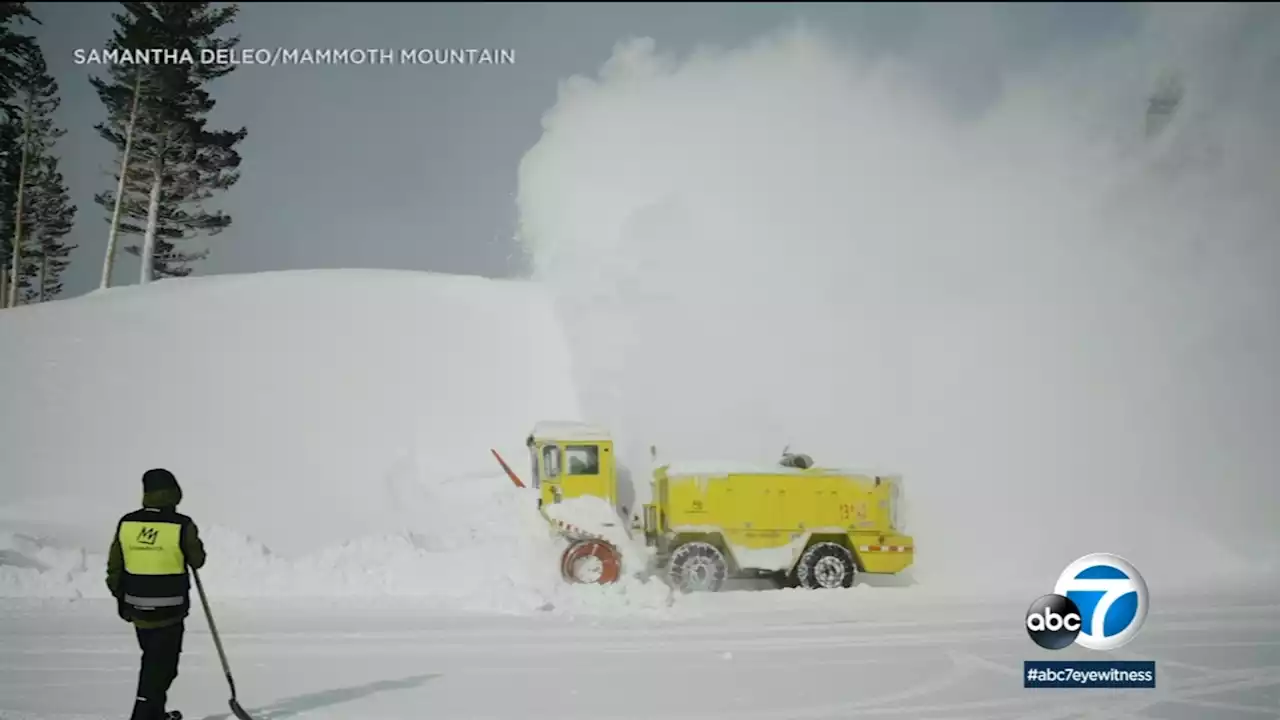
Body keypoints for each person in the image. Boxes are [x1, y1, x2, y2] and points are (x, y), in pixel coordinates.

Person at [106, 468, 207, 720]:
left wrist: (120, 595)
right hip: (170, 611)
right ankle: (142, 714)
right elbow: (198, 560)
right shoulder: (181, 524)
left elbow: (114, 565)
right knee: (163, 667)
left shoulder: (127, 522)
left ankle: (154, 714)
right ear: (174, 493)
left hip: (137, 608)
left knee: (153, 660)